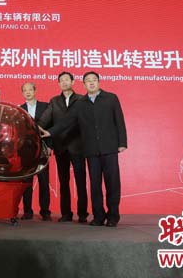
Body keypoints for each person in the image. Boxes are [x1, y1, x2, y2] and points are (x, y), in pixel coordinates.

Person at [40, 71, 127, 227]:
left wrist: (122, 143)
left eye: (94, 80)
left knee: (112, 183)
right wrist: (50, 132)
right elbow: (67, 121)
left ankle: (113, 216)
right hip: (91, 150)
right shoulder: (81, 103)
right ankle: (98, 216)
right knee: (95, 185)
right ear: (84, 84)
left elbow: (119, 121)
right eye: (88, 81)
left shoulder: (111, 98)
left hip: (109, 148)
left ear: (98, 82)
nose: (91, 82)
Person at [38, 71, 88, 223]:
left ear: (73, 82)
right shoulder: (54, 101)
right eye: (61, 80)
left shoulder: (82, 99)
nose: (64, 82)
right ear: (59, 84)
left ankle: (82, 214)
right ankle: (66, 213)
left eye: (67, 79)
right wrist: (34, 127)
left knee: (81, 182)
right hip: (60, 147)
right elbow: (44, 120)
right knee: (63, 182)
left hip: (78, 146)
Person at [19, 82, 51, 221]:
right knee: (27, 183)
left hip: (43, 150)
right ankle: (27, 211)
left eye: (30, 90)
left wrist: (50, 146)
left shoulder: (46, 107)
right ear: (22, 93)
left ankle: (45, 212)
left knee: (44, 182)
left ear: (35, 91)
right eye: (25, 90)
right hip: (26, 152)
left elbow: (50, 127)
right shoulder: (19, 109)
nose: (28, 92)